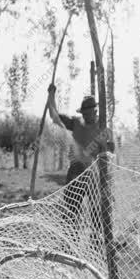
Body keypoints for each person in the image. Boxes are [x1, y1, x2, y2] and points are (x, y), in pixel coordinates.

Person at [47, 84, 112, 221]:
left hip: (96, 174)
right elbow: (54, 115)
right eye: (85, 114)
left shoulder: (103, 128)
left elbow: (110, 152)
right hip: (77, 171)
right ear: (82, 113)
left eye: (91, 113)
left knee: (97, 212)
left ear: (96, 111)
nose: (89, 116)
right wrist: (51, 94)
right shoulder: (75, 123)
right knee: (71, 210)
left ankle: (97, 239)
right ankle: (70, 239)